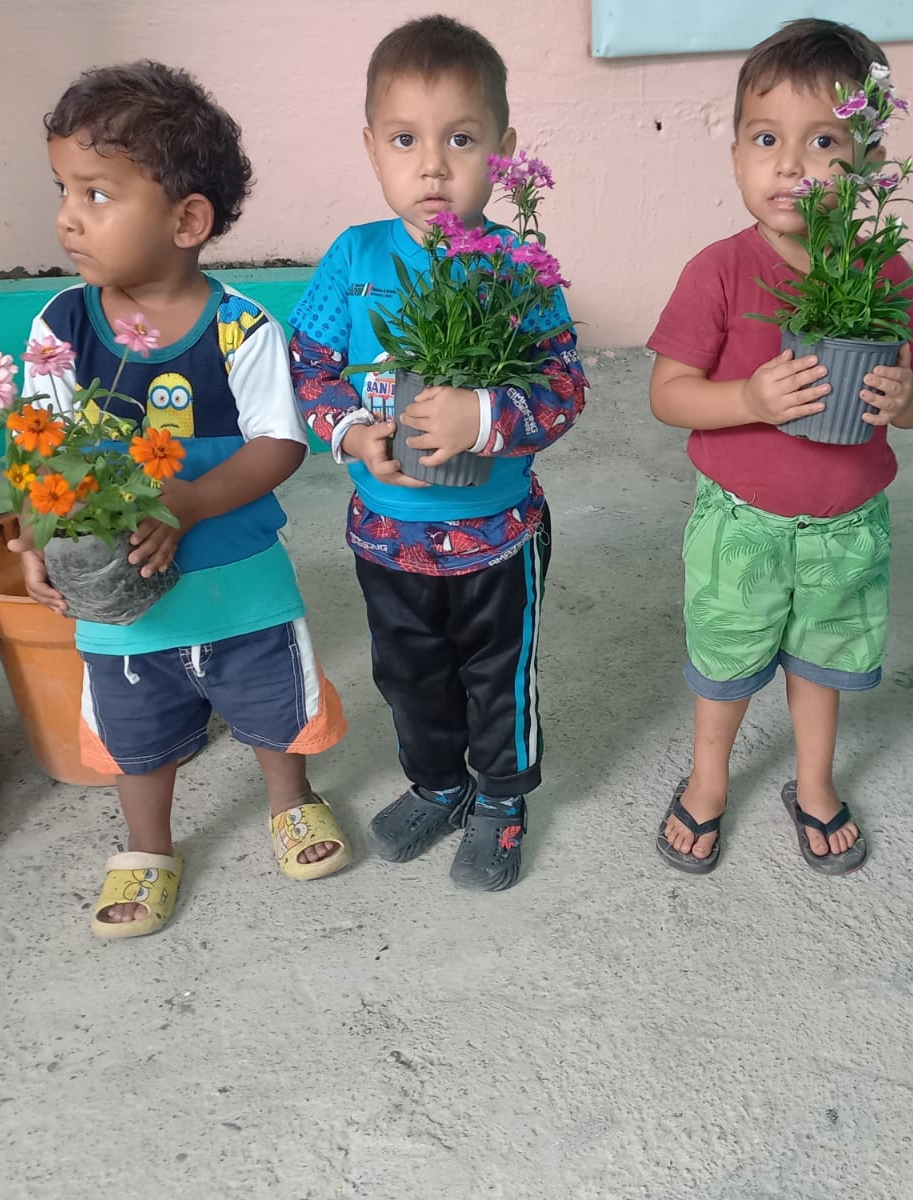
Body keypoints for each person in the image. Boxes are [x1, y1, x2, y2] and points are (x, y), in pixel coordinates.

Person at [15, 62, 350, 938]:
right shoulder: (62, 327)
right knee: (136, 718)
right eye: (63, 190)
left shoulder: (240, 328)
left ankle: (290, 800)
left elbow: (281, 442)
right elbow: (40, 446)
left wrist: (192, 501)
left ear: (187, 220)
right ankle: (148, 845)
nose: (67, 217)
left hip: (238, 577)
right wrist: (34, 537)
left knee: (271, 698)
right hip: (120, 595)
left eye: (96, 194)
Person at [290, 16, 586, 892]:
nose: (432, 167)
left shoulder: (517, 266)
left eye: (460, 139)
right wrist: (352, 430)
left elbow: (564, 386)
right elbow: (309, 367)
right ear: (371, 148)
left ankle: (500, 798)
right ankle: (439, 784)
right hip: (388, 530)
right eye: (405, 140)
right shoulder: (353, 259)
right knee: (408, 675)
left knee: (500, 675)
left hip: (496, 530)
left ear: (504, 152)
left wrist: (485, 416)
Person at [647, 19, 913, 876]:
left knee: (824, 661)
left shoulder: (885, 273)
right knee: (727, 663)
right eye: (766, 139)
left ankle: (814, 782)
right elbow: (668, 395)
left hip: (848, 523)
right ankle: (709, 780)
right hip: (740, 521)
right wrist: (748, 398)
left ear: (870, 159)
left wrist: (904, 398)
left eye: (824, 142)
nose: (790, 166)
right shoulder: (719, 271)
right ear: (736, 151)